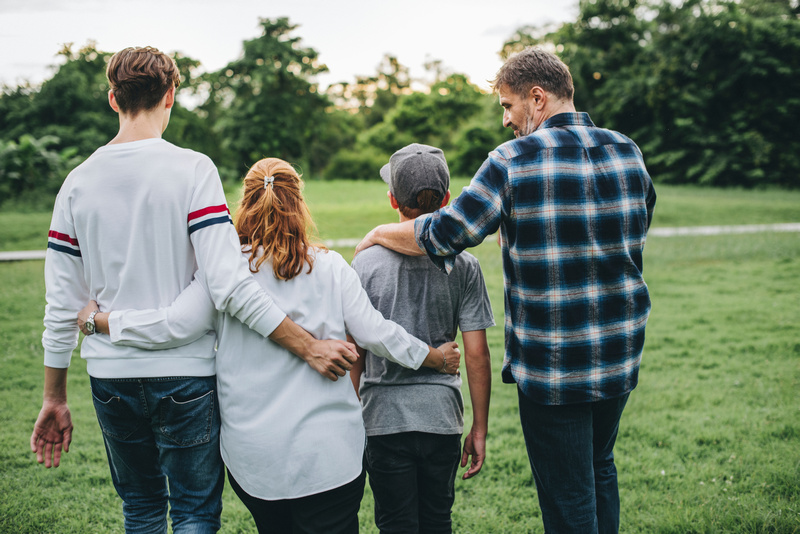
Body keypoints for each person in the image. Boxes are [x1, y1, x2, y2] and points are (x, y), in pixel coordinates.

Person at [31, 46, 360, 534]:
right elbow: (226, 286)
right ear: (170, 96)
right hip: (184, 376)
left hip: (110, 377)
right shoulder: (193, 170)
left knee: (140, 508)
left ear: (112, 98)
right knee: (192, 513)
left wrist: (54, 396)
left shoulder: (75, 185)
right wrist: (308, 345)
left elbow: (62, 305)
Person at [355, 47, 657, 534]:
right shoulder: (627, 150)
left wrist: (376, 235)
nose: (505, 120)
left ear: (536, 99)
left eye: (507, 106)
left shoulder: (513, 159)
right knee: (601, 469)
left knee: (569, 497)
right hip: (619, 356)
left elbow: (445, 233)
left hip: (554, 367)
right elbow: (634, 230)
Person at [77, 157, 461, 534]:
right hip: (329, 457)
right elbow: (378, 333)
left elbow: (176, 324)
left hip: (254, 461)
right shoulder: (330, 269)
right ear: (300, 203)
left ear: (244, 203)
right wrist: (435, 357)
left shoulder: (221, 276)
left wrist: (103, 321)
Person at [348, 143, 494, 533]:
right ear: (447, 199)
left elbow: (355, 352)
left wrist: (351, 417)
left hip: (382, 421)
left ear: (393, 199)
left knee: (395, 524)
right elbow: (477, 354)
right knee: (436, 522)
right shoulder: (464, 264)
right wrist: (479, 428)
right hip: (442, 420)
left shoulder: (363, 262)